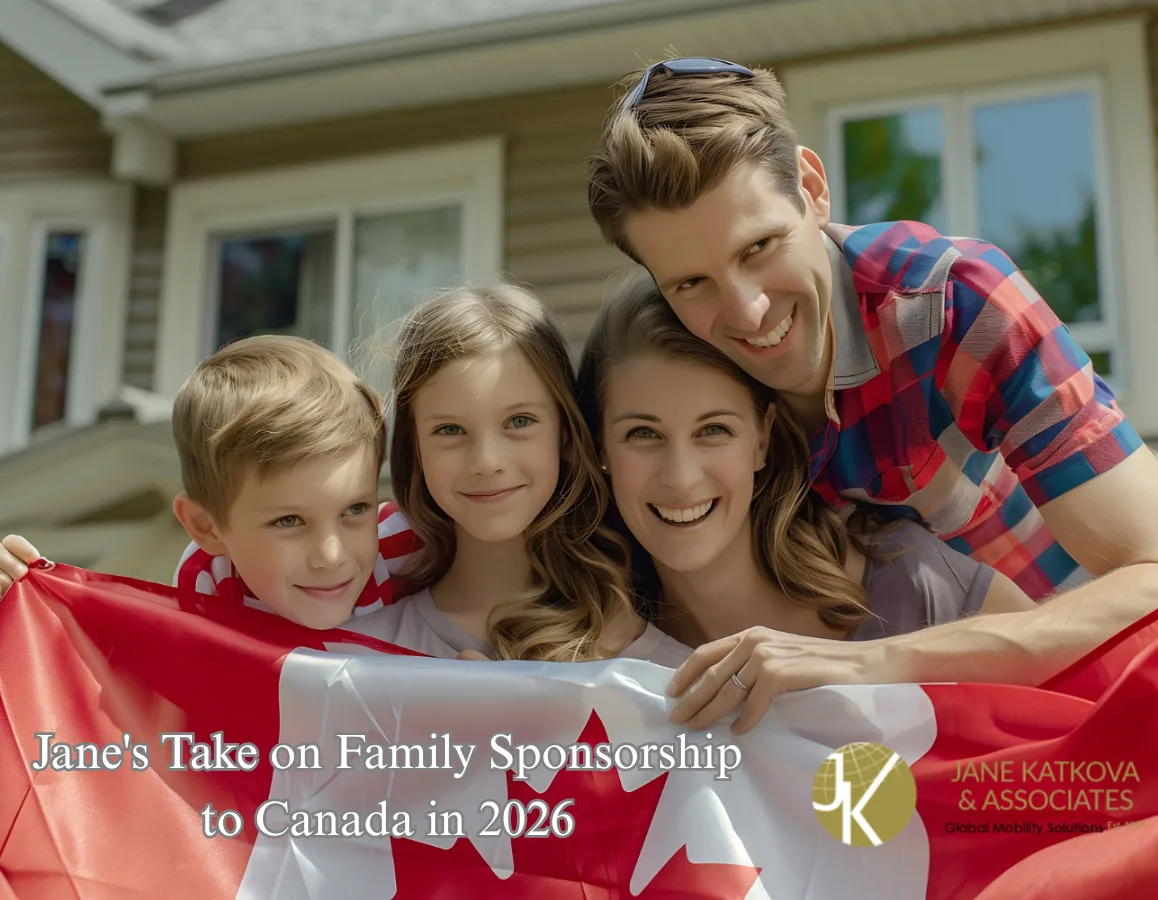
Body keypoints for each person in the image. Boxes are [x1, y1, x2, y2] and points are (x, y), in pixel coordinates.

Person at [585, 57, 1158, 727]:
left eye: (760, 246)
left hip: (1114, 699)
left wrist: (871, 663)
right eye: (690, 282)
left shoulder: (958, 307)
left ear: (811, 186)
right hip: (921, 750)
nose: (745, 311)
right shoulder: (696, 376)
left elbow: (1148, 579)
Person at [578, 269, 1035, 731]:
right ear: (599, 449)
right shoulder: (590, 645)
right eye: (642, 434)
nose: (680, 477)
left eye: (714, 430)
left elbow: (1083, 712)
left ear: (762, 438)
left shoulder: (907, 582)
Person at [346, 284, 678, 662]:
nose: (487, 461)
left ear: (566, 435)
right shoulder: (355, 658)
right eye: (450, 430)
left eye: (519, 421)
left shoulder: (656, 664)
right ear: (414, 450)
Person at [1, 336, 421, 628]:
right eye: (289, 521)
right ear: (207, 527)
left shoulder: (410, 546)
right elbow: (112, 668)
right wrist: (26, 601)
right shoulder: (209, 584)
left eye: (355, 509)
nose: (331, 555)